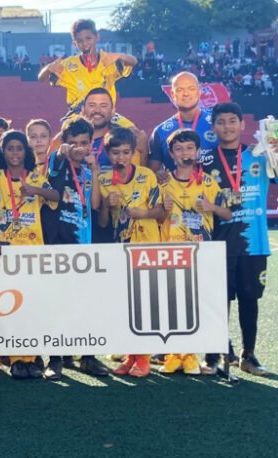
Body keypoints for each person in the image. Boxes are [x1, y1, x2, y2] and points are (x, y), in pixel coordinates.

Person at [201, 103, 272, 376]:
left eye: (232, 121)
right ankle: (215, 353)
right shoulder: (204, 160)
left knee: (249, 298)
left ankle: (249, 355)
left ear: (243, 125)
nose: (227, 126)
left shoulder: (261, 157)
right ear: (213, 127)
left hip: (254, 242)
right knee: (218, 300)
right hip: (217, 243)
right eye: (221, 122)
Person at [0, 130, 59, 380]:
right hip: (5, 250)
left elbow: (55, 196)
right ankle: (17, 358)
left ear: (25, 152)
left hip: (31, 250)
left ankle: (34, 357)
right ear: (2, 152)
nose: (14, 153)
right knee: (11, 304)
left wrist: (36, 190)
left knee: (31, 304)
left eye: (19, 148)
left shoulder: (36, 176)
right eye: (10, 149)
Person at [158, 129, 232, 376]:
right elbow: (156, 217)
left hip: (201, 252)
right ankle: (174, 354)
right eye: (179, 149)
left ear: (197, 152)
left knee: (196, 304)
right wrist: (162, 208)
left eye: (189, 148)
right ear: (171, 154)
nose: (185, 153)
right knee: (173, 304)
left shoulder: (208, 182)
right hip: (171, 251)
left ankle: (191, 355)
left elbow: (228, 213)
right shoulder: (163, 182)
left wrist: (210, 207)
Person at [96, 127, 163, 378]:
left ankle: (144, 358)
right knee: (125, 305)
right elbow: (103, 223)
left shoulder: (147, 175)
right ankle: (130, 356)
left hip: (147, 248)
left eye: (126, 152)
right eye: (116, 153)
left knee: (143, 303)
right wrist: (105, 204)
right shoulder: (103, 180)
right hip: (120, 251)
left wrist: (142, 213)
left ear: (134, 152)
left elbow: (161, 213)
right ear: (107, 153)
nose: (121, 158)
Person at [40, 117, 104, 380]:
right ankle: (55, 359)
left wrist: (97, 172)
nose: (79, 147)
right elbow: (57, 156)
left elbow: (97, 204)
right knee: (57, 302)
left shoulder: (89, 172)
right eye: (74, 143)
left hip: (84, 244)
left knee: (84, 302)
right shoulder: (58, 164)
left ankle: (87, 357)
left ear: (91, 144)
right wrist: (63, 150)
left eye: (84, 143)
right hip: (58, 244)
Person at [38, 19, 137, 126]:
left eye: (88, 38)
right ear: (74, 44)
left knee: (136, 134)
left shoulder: (108, 60)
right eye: (79, 41)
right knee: (62, 138)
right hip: (77, 115)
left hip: (106, 115)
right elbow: (41, 78)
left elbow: (133, 61)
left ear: (97, 37)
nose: (84, 44)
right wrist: (49, 68)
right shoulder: (68, 64)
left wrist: (119, 56)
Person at [149, 72, 216, 172]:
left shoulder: (217, 124)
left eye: (191, 89)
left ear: (199, 91)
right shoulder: (160, 132)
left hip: (214, 186)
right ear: (172, 94)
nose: (186, 94)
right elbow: (153, 173)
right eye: (180, 90)